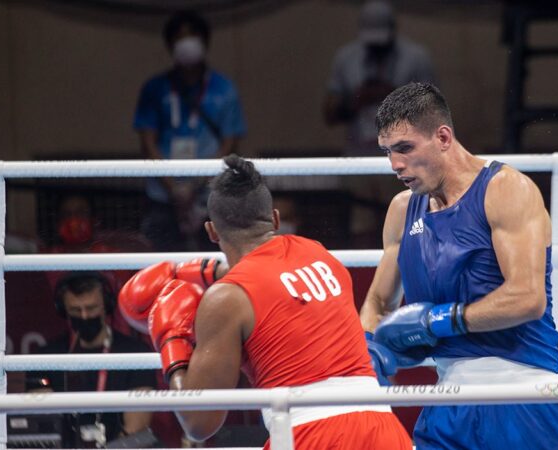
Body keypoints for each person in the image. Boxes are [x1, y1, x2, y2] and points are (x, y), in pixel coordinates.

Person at [359, 82, 558, 449]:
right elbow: (378, 301)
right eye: (388, 152)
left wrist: (440, 321)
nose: (395, 164)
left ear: (442, 137)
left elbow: (527, 297)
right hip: (448, 405)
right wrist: (370, 350)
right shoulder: (402, 210)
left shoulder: (505, 190)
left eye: (405, 148)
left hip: (524, 397)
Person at [118, 155, 411, 449]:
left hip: (309, 436)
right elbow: (267, 272)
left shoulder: (226, 299)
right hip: (383, 429)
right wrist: (203, 270)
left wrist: (171, 342)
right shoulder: (320, 255)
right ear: (274, 218)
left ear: (211, 231)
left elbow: (198, 422)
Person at [133, 10, 247, 251]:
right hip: (163, 197)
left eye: (192, 36)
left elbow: (230, 143)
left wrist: (194, 187)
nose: (186, 42)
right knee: (161, 263)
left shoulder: (224, 88)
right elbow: (147, 142)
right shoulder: (154, 89)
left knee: (216, 264)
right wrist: (174, 189)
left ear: (206, 42)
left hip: (210, 195)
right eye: (179, 37)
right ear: (169, 45)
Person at [26, 272, 156, 447]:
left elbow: (136, 426)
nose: (85, 316)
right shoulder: (45, 357)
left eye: (91, 308)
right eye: (76, 310)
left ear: (106, 305)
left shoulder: (135, 353)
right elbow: (40, 424)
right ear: (63, 309)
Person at [324, 0, 436, 156]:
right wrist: (355, 102)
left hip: (406, 156)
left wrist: (395, 97)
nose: (377, 49)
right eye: (372, 44)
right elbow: (329, 114)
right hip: (358, 154)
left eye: (382, 44)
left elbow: (433, 112)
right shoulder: (346, 59)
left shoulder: (416, 58)